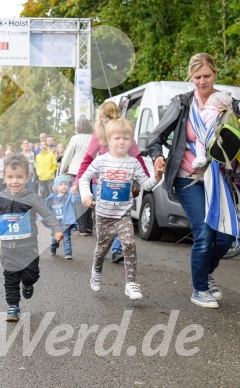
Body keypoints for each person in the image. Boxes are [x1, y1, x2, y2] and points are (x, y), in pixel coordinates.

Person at [146, 53, 240, 308]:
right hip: (188, 179)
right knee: (204, 232)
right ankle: (199, 289)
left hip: (218, 179)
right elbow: (154, 138)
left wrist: (231, 117)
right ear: (191, 77)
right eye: (197, 77)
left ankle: (206, 273)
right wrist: (157, 158)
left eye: (206, 76)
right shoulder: (181, 103)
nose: (202, 81)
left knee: (226, 237)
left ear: (215, 74)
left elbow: (239, 141)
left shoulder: (228, 102)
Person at [0, 154, 64, 321]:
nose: (15, 181)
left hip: (29, 247)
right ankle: (13, 306)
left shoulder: (32, 197)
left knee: (30, 275)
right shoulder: (0, 197)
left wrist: (56, 229)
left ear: (27, 177)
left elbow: (47, 214)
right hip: (7, 248)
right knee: (10, 277)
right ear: (4, 178)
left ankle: (27, 283)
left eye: (19, 177)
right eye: (10, 177)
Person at [80, 118, 163, 300]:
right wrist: (86, 195)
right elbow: (84, 178)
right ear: (109, 140)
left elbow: (146, 184)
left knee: (129, 243)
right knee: (102, 250)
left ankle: (131, 283)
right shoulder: (101, 161)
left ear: (131, 141)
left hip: (123, 215)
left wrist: (157, 176)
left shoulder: (133, 163)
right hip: (103, 216)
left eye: (126, 138)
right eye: (117, 138)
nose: (121, 141)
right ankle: (96, 269)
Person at [73, 102, 149, 256]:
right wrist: (77, 182)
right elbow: (87, 160)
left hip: (122, 181)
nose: (104, 120)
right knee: (102, 216)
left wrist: (145, 179)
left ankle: (117, 250)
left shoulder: (124, 135)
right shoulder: (97, 135)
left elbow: (138, 158)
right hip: (100, 183)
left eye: (108, 117)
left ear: (115, 116)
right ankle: (102, 244)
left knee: (121, 214)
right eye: (102, 117)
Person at [192, 91, 234, 169]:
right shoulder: (227, 115)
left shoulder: (206, 112)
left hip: (207, 137)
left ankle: (200, 157)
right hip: (220, 139)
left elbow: (197, 124)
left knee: (200, 140)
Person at [44, 175, 80, 260]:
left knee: (66, 237)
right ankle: (53, 248)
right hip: (55, 223)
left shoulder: (69, 195)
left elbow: (76, 200)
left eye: (65, 184)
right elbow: (46, 207)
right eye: (61, 184)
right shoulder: (52, 197)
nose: (63, 186)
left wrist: (76, 194)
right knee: (55, 238)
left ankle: (68, 253)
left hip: (65, 221)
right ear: (56, 187)